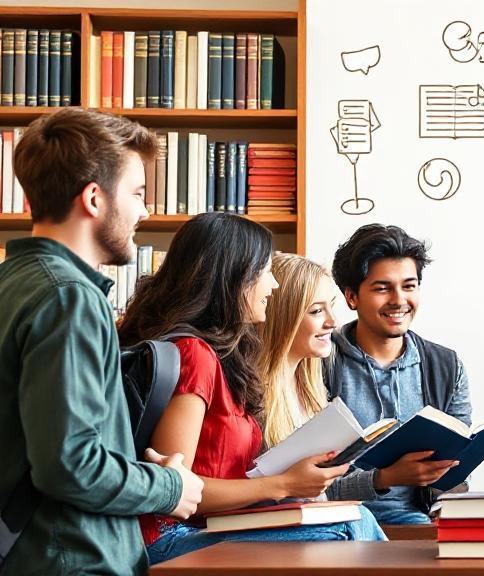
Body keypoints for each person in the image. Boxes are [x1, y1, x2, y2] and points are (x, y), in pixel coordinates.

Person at [0, 108, 203, 575]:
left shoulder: (16, 283)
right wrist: (170, 487)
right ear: (94, 198)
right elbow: (68, 465)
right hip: (73, 559)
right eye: (136, 193)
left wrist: (134, 466)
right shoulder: (69, 298)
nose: (144, 211)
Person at [119, 213, 385, 565]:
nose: (273, 285)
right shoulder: (193, 354)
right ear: (234, 277)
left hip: (210, 527)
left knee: (353, 519)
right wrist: (285, 484)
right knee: (350, 527)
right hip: (169, 538)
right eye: (264, 272)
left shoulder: (226, 357)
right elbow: (175, 489)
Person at [325, 224, 472, 525]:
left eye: (409, 286)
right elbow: (308, 487)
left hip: (420, 526)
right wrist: (383, 478)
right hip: (337, 523)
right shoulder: (320, 364)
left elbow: (456, 471)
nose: (399, 300)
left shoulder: (446, 366)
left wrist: (449, 516)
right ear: (351, 296)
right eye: (382, 288)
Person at [256, 253, 339, 448]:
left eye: (331, 306)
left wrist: (380, 477)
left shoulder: (312, 386)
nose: (333, 322)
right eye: (317, 311)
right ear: (284, 319)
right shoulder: (253, 398)